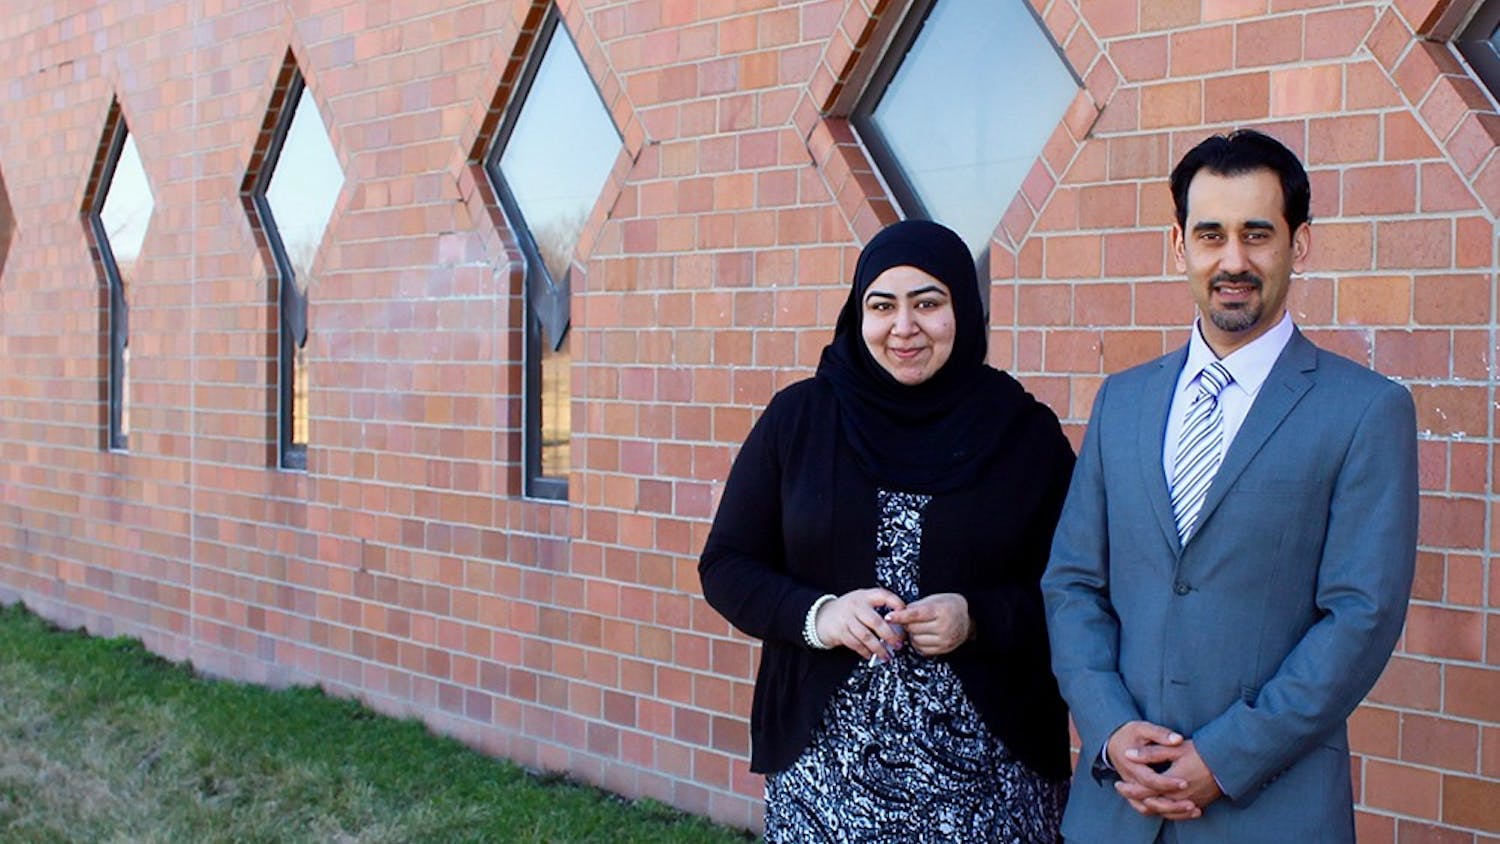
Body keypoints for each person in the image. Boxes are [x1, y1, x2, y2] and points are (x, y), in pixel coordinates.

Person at [1041, 129, 1419, 844]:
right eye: (1210, 234)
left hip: (1272, 810)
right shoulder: (1121, 402)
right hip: (1115, 806)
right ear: (1177, 243)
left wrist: (1225, 756)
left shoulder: (1366, 410)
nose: (1233, 261)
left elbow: (1360, 619)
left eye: (1257, 234)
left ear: (1297, 245)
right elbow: (1072, 585)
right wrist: (1110, 726)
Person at [698, 219, 1076, 842]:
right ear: (859, 313)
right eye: (882, 306)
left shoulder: (1023, 433)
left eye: (928, 303)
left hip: (992, 780)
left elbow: (1073, 588)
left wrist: (975, 617)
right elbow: (728, 564)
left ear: (964, 310)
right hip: (826, 774)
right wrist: (820, 615)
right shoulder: (801, 419)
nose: (904, 327)